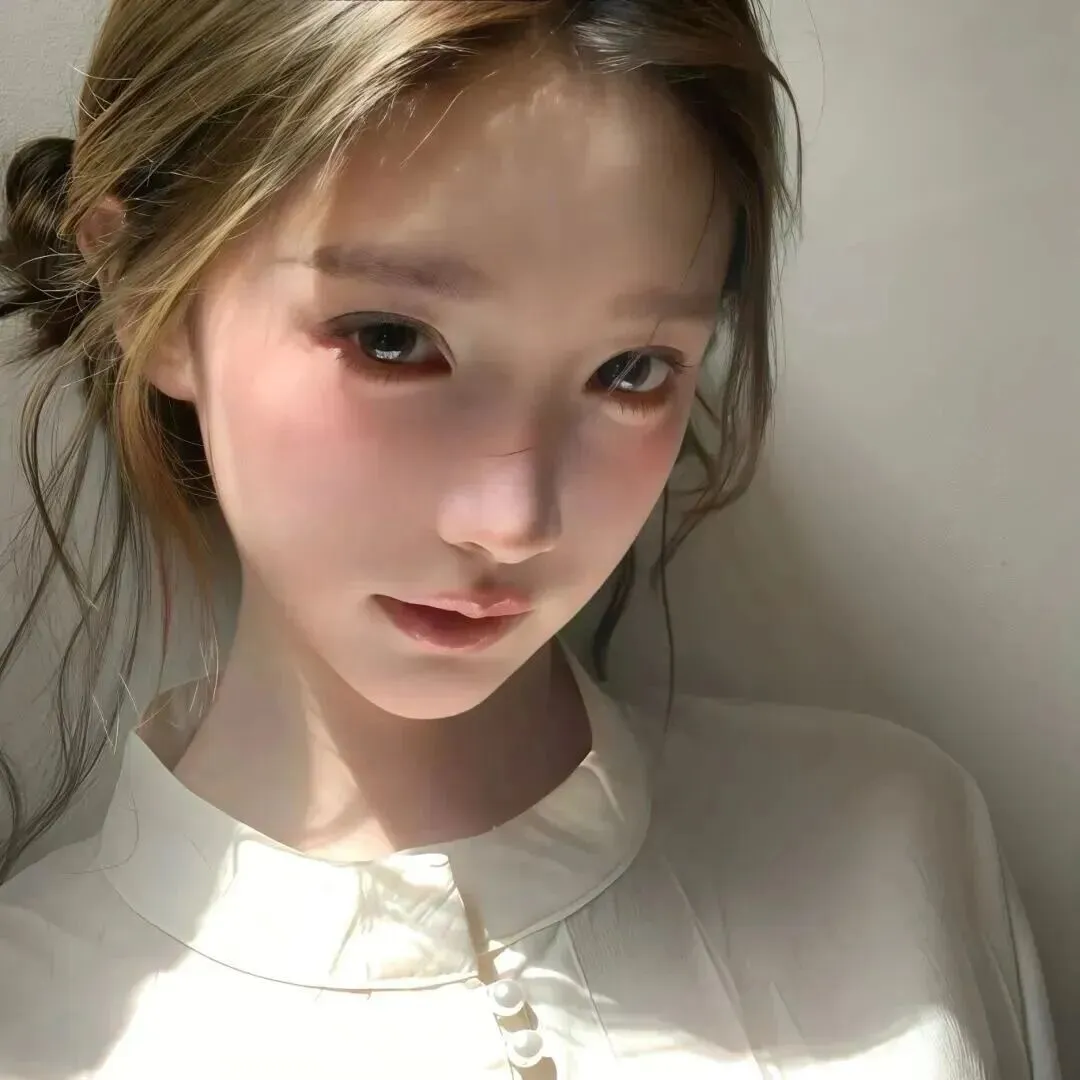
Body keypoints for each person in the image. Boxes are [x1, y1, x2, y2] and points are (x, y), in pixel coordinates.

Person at [0, 1, 1060, 1077]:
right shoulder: (34, 1027)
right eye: (391, 340)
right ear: (146, 289)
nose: (511, 525)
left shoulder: (892, 858)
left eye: (631, 371)